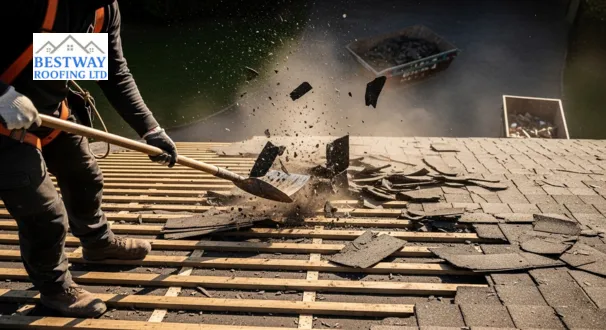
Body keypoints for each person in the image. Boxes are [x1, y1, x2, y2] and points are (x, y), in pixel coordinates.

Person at [0, 0, 178, 317]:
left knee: (84, 175)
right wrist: (1, 95)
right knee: (46, 214)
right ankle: (56, 290)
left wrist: (150, 129)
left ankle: (97, 243)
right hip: (2, 122)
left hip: (49, 116)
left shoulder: (102, 12)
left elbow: (113, 72)